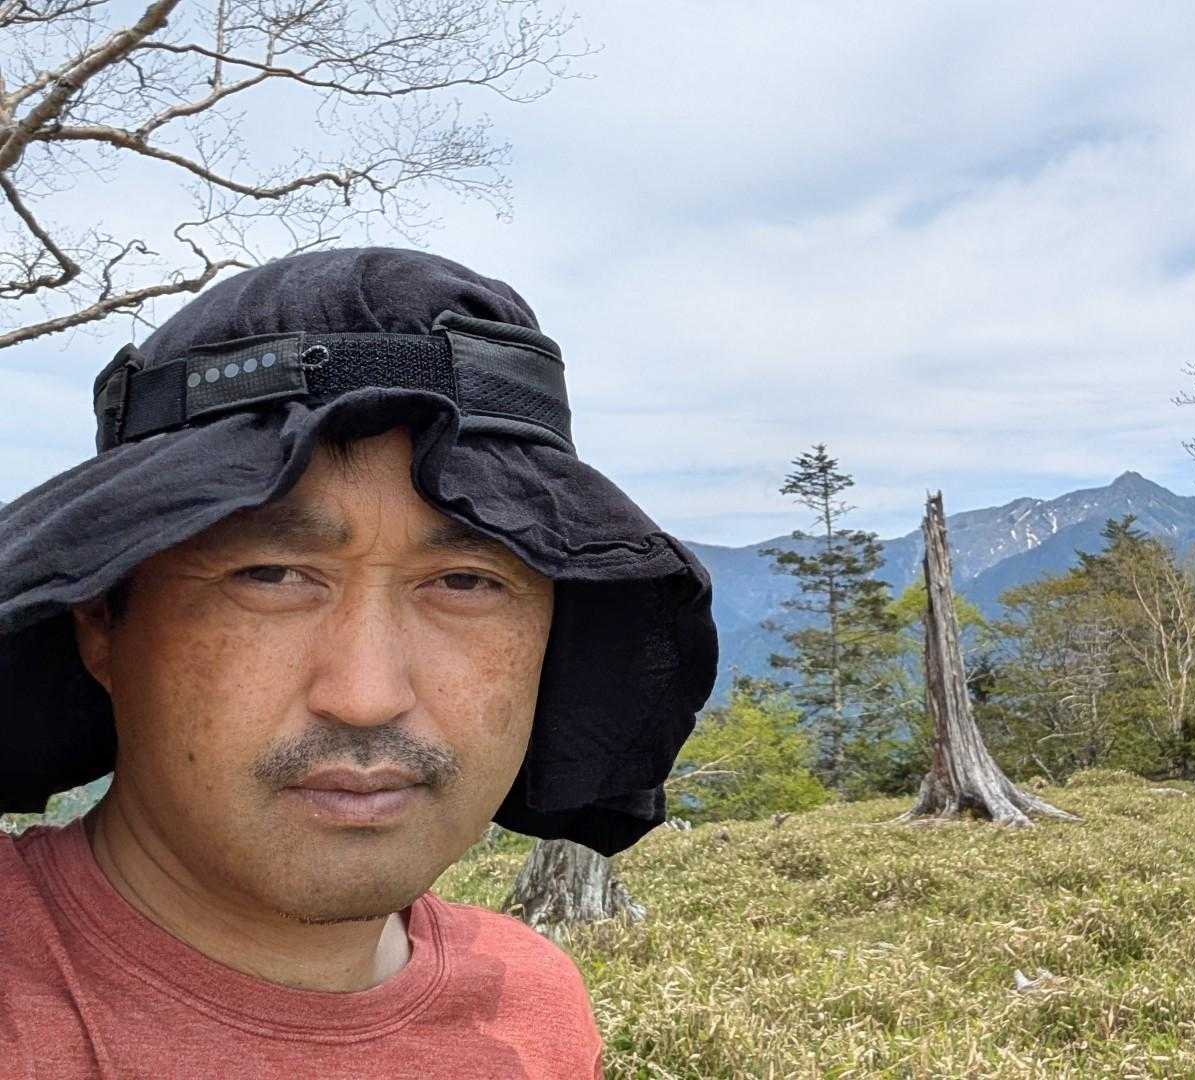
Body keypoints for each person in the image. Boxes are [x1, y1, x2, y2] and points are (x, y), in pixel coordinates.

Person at [0, 248, 719, 1077]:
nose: (367, 696)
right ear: (102, 621)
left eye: (464, 581)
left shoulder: (535, 1006)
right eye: (271, 576)